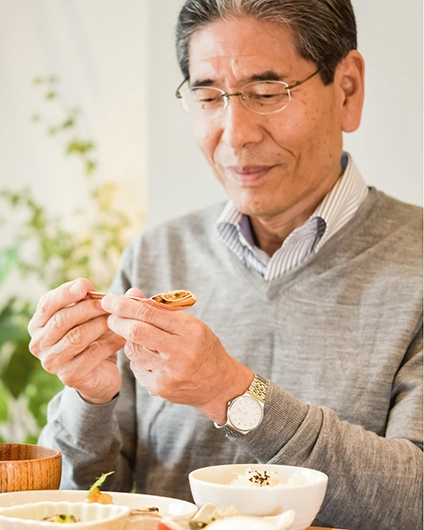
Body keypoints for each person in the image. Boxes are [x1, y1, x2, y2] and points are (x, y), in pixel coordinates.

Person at [30, 1, 421, 528]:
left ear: (347, 88)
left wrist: (231, 394)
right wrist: (89, 397)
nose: (235, 134)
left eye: (266, 93)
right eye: (209, 96)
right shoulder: (155, 255)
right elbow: (83, 502)